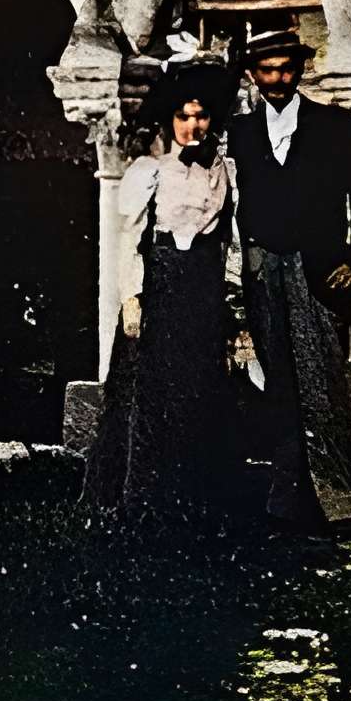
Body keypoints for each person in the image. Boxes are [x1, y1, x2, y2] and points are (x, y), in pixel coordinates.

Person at [224, 25, 351, 531]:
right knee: (277, 384)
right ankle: (284, 503)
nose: (277, 80)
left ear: (300, 71)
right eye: (266, 71)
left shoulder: (334, 128)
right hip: (261, 272)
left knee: (322, 384)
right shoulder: (239, 134)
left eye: (286, 70)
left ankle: (337, 504)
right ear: (252, 75)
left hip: (318, 274)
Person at [85, 60, 248, 529]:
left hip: (203, 287)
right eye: (183, 116)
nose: (192, 126)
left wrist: (232, 303)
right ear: (169, 120)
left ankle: (195, 502)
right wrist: (131, 298)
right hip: (159, 287)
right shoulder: (150, 171)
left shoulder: (226, 172)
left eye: (201, 116)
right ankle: (139, 501)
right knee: (149, 392)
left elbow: (232, 241)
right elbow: (130, 239)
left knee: (198, 390)